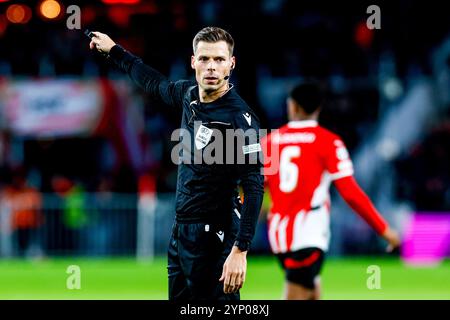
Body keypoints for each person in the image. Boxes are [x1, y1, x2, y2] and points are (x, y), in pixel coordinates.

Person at [89, 27, 264, 300]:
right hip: (182, 229)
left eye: (219, 60)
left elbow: (254, 187)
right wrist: (114, 51)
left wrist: (240, 250)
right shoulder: (188, 96)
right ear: (193, 61)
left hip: (217, 234)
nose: (211, 67)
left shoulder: (240, 118)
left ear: (231, 64)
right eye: (205, 59)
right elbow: (151, 81)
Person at [261, 82, 400, 300]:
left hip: (278, 235)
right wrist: (384, 229)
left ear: (293, 107)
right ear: (318, 108)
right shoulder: (328, 142)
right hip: (307, 235)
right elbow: (351, 194)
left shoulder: (269, 142)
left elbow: (254, 189)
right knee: (296, 295)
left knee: (313, 292)